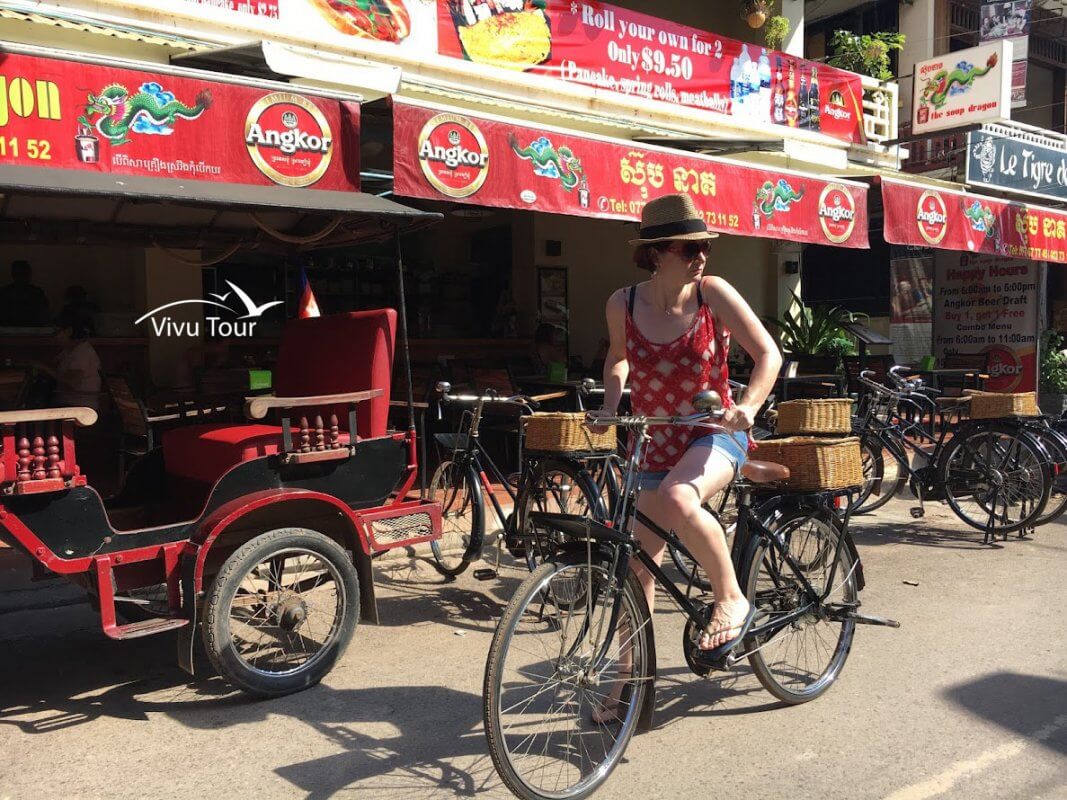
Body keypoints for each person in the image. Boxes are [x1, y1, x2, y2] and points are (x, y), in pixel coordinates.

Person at [588, 194, 781, 716]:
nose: (701, 255)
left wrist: (748, 406)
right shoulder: (622, 304)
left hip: (713, 434)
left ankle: (731, 597)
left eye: (704, 246)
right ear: (656, 252)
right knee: (635, 570)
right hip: (653, 439)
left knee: (678, 493)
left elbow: (769, 353)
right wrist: (610, 406)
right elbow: (617, 358)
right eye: (689, 246)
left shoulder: (711, 293)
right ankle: (632, 684)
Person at [34, 311, 102, 410]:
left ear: (69, 331)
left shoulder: (83, 352)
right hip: (66, 404)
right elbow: (54, 365)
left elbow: (71, 381)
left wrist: (44, 367)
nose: (54, 336)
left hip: (80, 407)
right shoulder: (68, 350)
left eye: (57, 332)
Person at [0, 260, 49, 326]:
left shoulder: (4, 292)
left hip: (12, 331)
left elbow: (44, 315)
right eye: (19, 274)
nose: (21, 276)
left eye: (23, 273)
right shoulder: (36, 291)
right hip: (32, 331)